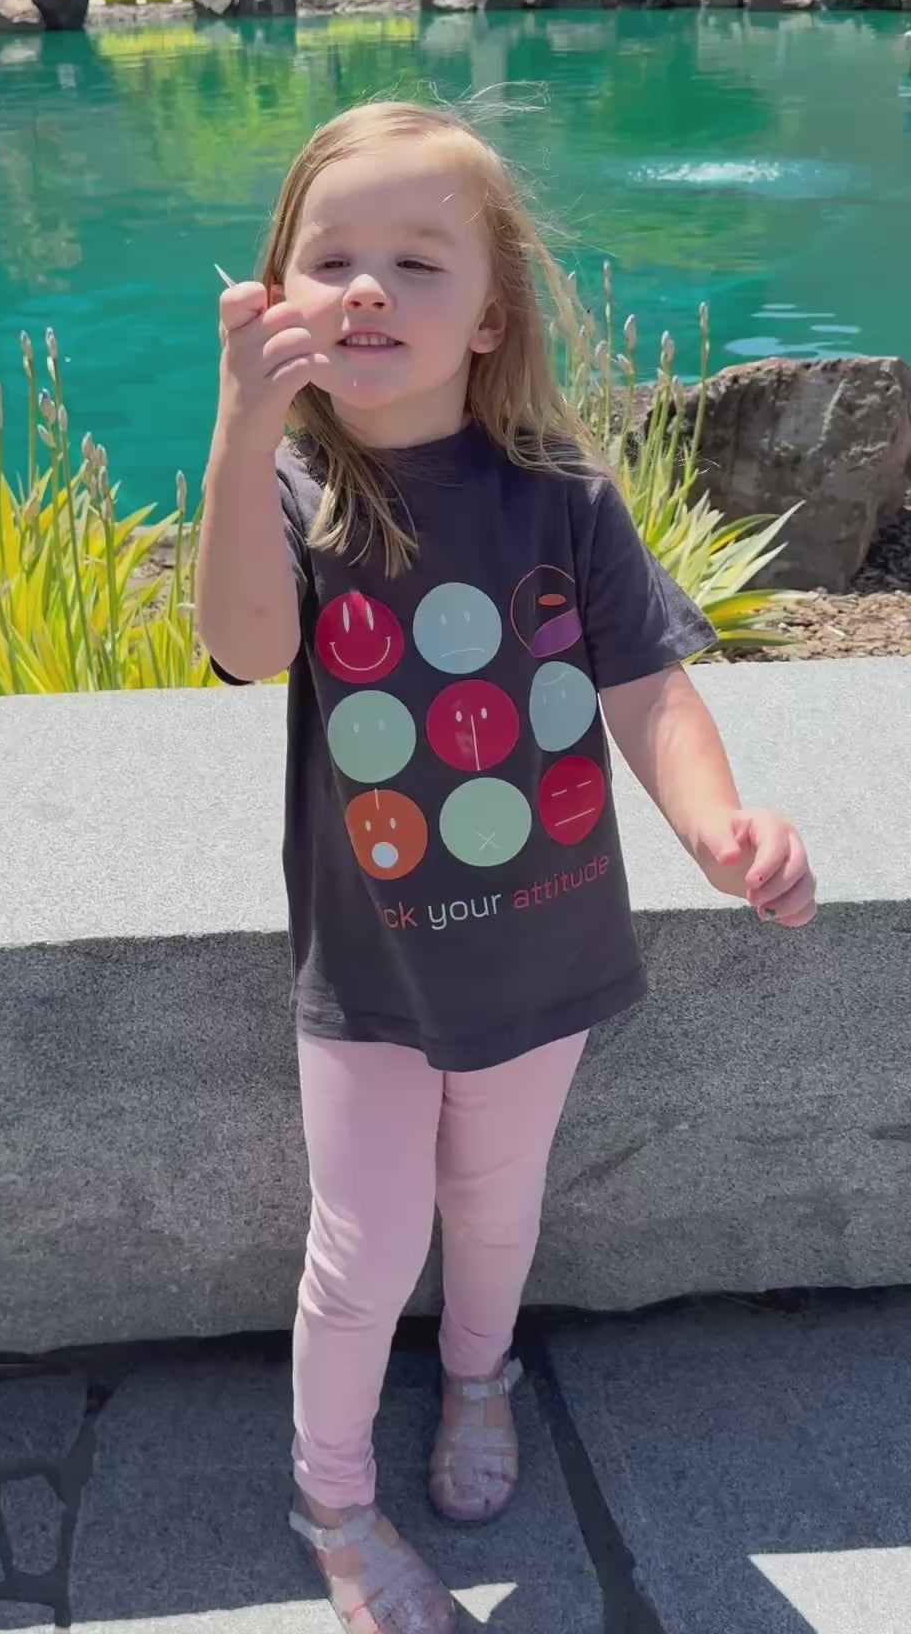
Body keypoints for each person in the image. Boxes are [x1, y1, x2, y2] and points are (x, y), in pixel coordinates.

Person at [196, 101, 817, 1632]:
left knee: (495, 1208)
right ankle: (333, 1498)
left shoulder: (561, 491)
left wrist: (719, 827)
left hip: (543, 942)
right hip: (373, 970)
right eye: (331, 257)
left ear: (490, 317)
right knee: (362, 1248)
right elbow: (246, 644)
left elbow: (648, 686)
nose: (368, 287)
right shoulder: (295, 493)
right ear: (278, 293)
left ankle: (482, 1378)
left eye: (419, 261)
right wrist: (241, 430)